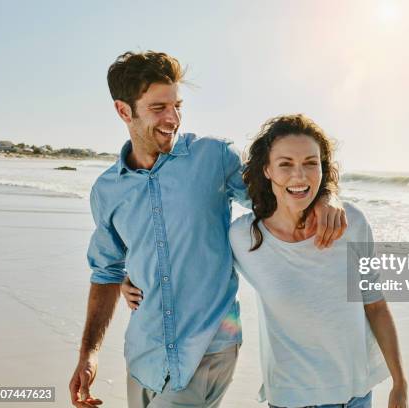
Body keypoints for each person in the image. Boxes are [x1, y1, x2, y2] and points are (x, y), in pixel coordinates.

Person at [69, 51, 347, 408]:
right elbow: (106, 271)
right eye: (158, 108)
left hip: (207, 349)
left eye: (177, 105)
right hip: (143, 354)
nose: (173, 118)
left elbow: (280, 193)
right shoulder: (107, 191)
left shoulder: (214, 157)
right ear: (124, 111)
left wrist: (328, 195)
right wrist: (88, 354)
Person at [123, 114, 408, 408]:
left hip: (358, 395)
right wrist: (133, 275)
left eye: (311, 163)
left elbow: (375, 304)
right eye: (286, 164)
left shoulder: (351, 223)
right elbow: (191, 260)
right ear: (267, 170)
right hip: (293, 399)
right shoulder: (244, 237)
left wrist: (400, 383)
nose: (299, 175)